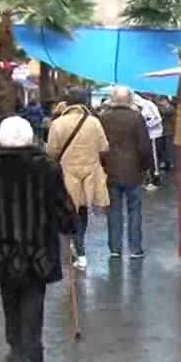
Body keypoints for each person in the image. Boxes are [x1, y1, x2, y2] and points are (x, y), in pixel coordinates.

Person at [0, 116, 78, 362]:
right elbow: (62, 207)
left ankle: (15, 344)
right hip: (37, 249)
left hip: (0, 250)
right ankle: (31, 350)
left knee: (9, 294)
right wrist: (69, 225)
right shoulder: (47, 168)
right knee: (34, 296)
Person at [46, 87, 110, 270]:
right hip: (89, 175)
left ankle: (74, 248)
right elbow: (104, 147)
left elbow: (51, 151)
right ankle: (80, 250)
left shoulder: (58, 123)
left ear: (68, 102)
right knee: (82, 212)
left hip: (66, 174)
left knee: (68, 210)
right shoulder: (94, 122)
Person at [100, 86, 152, 259]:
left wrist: (102, 166)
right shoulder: (137, 118)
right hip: (133, 171)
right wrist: (146, 167)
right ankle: (135, 248)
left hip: (111, 171)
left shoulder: (104, 118)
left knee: (113, 210)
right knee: (134, 210)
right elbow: (144, 147)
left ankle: (115, 248)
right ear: (130, 99)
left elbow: (100, 147)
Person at [133, 92, 163, 191]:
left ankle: (156, 180)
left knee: (154, 158)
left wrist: (147, 125)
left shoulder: (149, 105)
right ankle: (148, 179)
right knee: (147, 158)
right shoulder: (135, 107)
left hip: (154, 135)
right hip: (144, 136)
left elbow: (158, 118)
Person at [157, 96, 176, 171]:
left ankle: (170, 162)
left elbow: (166, 112)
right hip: (163, 131)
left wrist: (158, 106)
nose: (161, 102)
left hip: (169, 131)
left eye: (162, 101)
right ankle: (164, 162)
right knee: (163, 148)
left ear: (166, 101)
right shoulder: (162, 108)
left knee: (169, 148)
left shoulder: (171, 108)